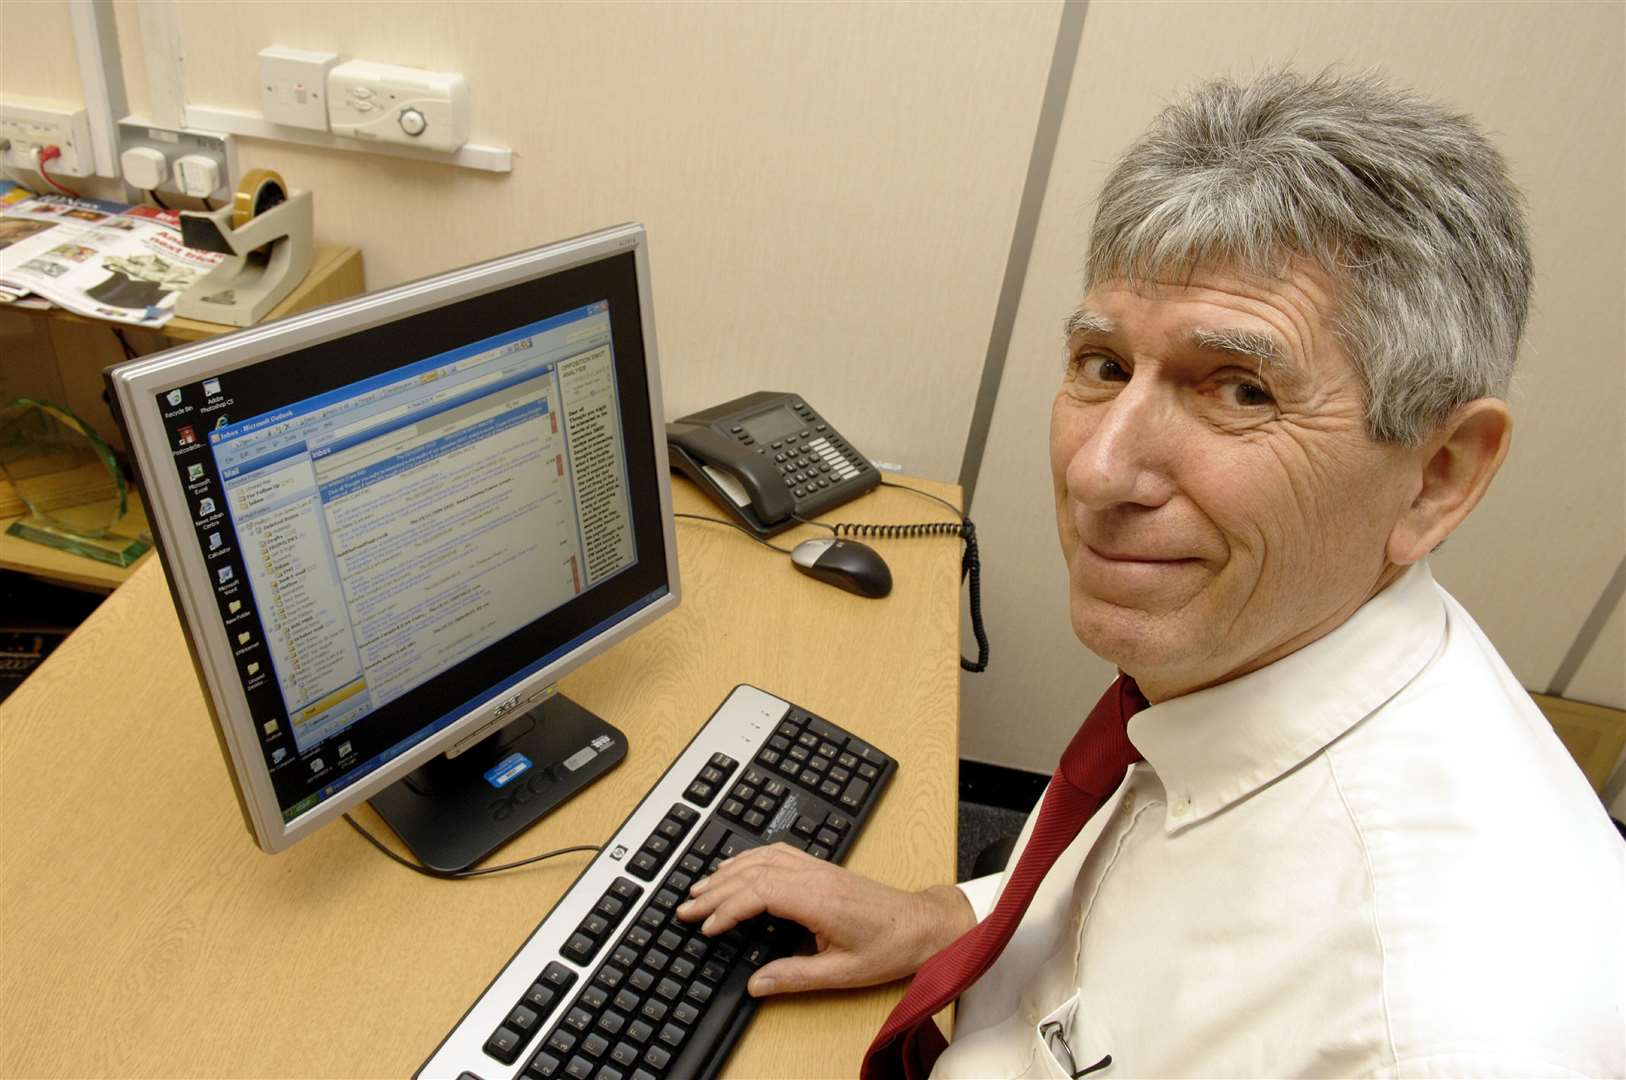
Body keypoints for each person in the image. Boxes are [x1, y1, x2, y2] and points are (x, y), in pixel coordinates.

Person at [678, 69, 1625, 1077]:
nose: (1097, 472)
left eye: (1242, 389)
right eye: (1103, 365)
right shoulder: (1253, 651)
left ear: (1437, 476)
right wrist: (947, 914)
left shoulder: (1428, 1030)